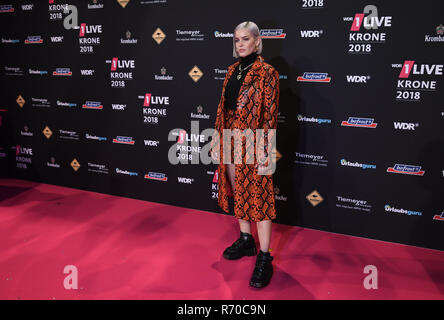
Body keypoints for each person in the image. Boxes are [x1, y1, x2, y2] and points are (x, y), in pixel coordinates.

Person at [211, 21, 280, 288]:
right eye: (237, 40)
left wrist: (265, 150)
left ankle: (264, 256)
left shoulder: (267, 72)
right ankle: (246, 239)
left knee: (260, 198)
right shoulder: (231, 71)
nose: (240, 44)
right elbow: (225, 108)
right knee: (237, 189)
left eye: (245, 39)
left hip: (255, 140)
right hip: (229, 137)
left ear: (257, 41)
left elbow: (270, 115)